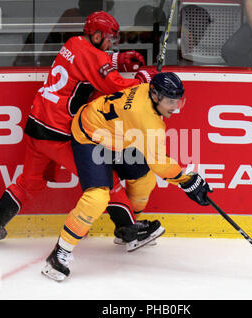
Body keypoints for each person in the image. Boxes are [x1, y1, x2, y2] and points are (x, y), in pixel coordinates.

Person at [0, 11, 159, 250]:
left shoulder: (73, 43)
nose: (111, 44)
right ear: (97, 35)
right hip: (57, 132)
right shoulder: (93, 55)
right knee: (105, 181)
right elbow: (113, 86)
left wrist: (115, 60)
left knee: (28, 183)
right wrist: (142, 80)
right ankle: (129, 232)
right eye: (109, 39)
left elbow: (89, 62)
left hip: (36, 124)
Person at [41, 72, 213, 281]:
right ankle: (59, 254)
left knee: (145, 179)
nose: (175, 107)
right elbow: (159, 164)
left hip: (117, 136)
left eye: (178, 101)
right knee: (97, 198)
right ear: (156, 96)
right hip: (90, 136)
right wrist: (187, 180)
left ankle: (127, 230)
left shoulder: (146, 92)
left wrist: (185, 179)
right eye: (170, 101)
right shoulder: (146, 119)